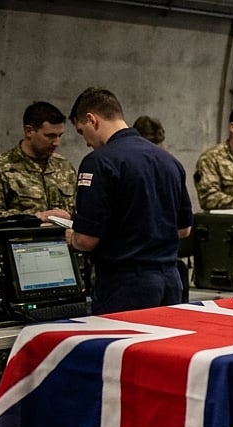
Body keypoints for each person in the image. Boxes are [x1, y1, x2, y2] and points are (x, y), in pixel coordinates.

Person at [64, 87, 193, 314]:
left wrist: (72, 237)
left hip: (125, 286)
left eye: (82, 132)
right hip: (170, 282)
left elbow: (86, 240)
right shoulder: (170, 161)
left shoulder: (98, 162)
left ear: (92, 119)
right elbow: (184, 230)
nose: (86, 142)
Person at [0, 101, 76, 223]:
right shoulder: (0, 169)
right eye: (50, 136)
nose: (57, 143)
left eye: (60, 135)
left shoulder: (65, 167)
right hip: (22, 236)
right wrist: (34, 218)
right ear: (29, 131)